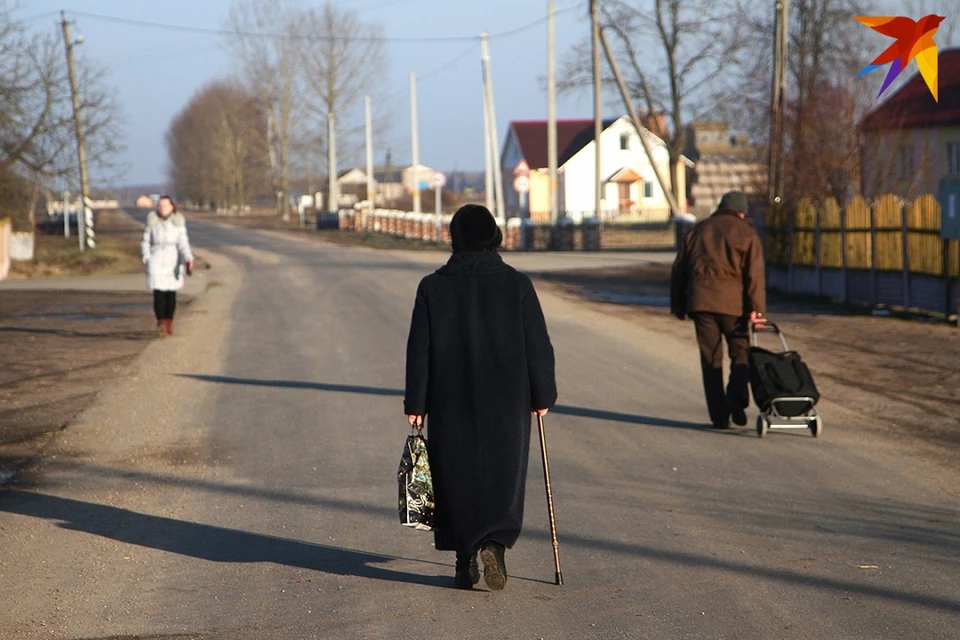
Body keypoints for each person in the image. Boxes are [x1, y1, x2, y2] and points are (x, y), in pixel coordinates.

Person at [404, 204, 557, 591]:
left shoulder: (432, 286)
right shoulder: (516, 284)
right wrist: (543, 394)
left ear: (455, 237)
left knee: (455, 474)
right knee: (503, 472)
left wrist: (416, 404)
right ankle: (494, 543)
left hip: (449, 398)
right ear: (493, 236)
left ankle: (463, 559)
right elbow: (537, 345)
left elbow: (419, 350)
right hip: (507, 398)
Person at [670, 190, 766, 429]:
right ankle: (736, 398)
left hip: (701, 303)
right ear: (741, 212)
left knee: (710, 359)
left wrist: (678, 305)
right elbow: (754, 275)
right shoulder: (747, 234)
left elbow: (679, 270)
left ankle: (719, 416)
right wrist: (758, 310)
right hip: (734, 306)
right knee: (740, 353)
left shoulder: (698, 230)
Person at [141, 196, 194, 337]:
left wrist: (188, 257)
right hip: (156, 260)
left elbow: (183, 242)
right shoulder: (152, 221)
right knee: (158, 294)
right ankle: (161, 323)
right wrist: (147, 257)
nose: (162, 208)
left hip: (172, 260)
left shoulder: (178, 223)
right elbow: (145, 241)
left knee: (171, 295)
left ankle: (169, 323)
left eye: (165, 205)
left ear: (172, 207)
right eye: (160, 205)